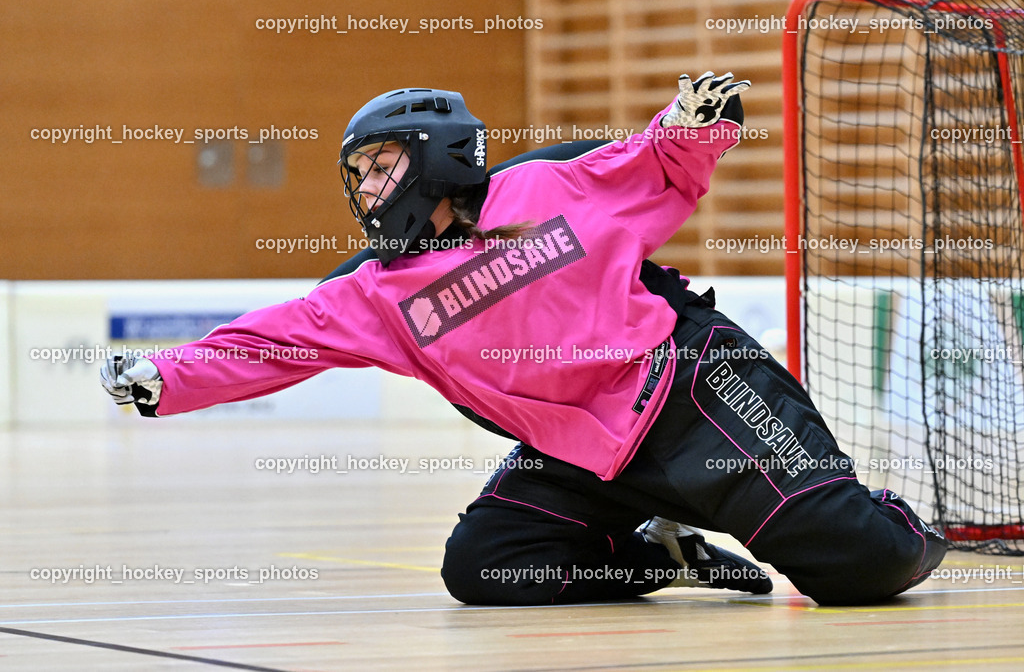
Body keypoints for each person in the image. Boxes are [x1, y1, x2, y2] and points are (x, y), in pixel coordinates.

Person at [101, 73, 947, 606]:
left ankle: (907, 521)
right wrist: (165, 376)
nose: (364, 190)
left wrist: (694, 123)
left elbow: (658, 163)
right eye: (357, 175)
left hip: (690, 393)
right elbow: (271, 342)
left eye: (381, 165)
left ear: (435, 160)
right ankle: (659, 555)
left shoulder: (543, 185)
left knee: (861, 569)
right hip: (588, 455)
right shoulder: (375, 293)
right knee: (486, 564)